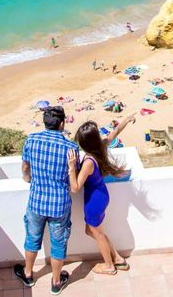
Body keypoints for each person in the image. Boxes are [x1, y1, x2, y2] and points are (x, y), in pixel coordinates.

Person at [15, 107, 78, 295]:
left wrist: (27, 178)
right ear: (62, 124)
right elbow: (72, 179)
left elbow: (25, 167)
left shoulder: (31, 140)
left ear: (45, 122)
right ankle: (56, 282)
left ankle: (28, 274)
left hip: (36, 201)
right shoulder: (71, 148)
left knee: (32, 238)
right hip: (59, 205)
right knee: (58, 244)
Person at [67, 115, 136, 275]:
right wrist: (126, 120)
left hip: (94, 201)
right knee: (92, 231)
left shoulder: (88, 162)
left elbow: (75, 187)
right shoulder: (100, 148)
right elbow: (115, 133)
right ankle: (118, 258)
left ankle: (109, 266)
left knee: (97, 234)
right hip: (101, 195)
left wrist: (71, 167)